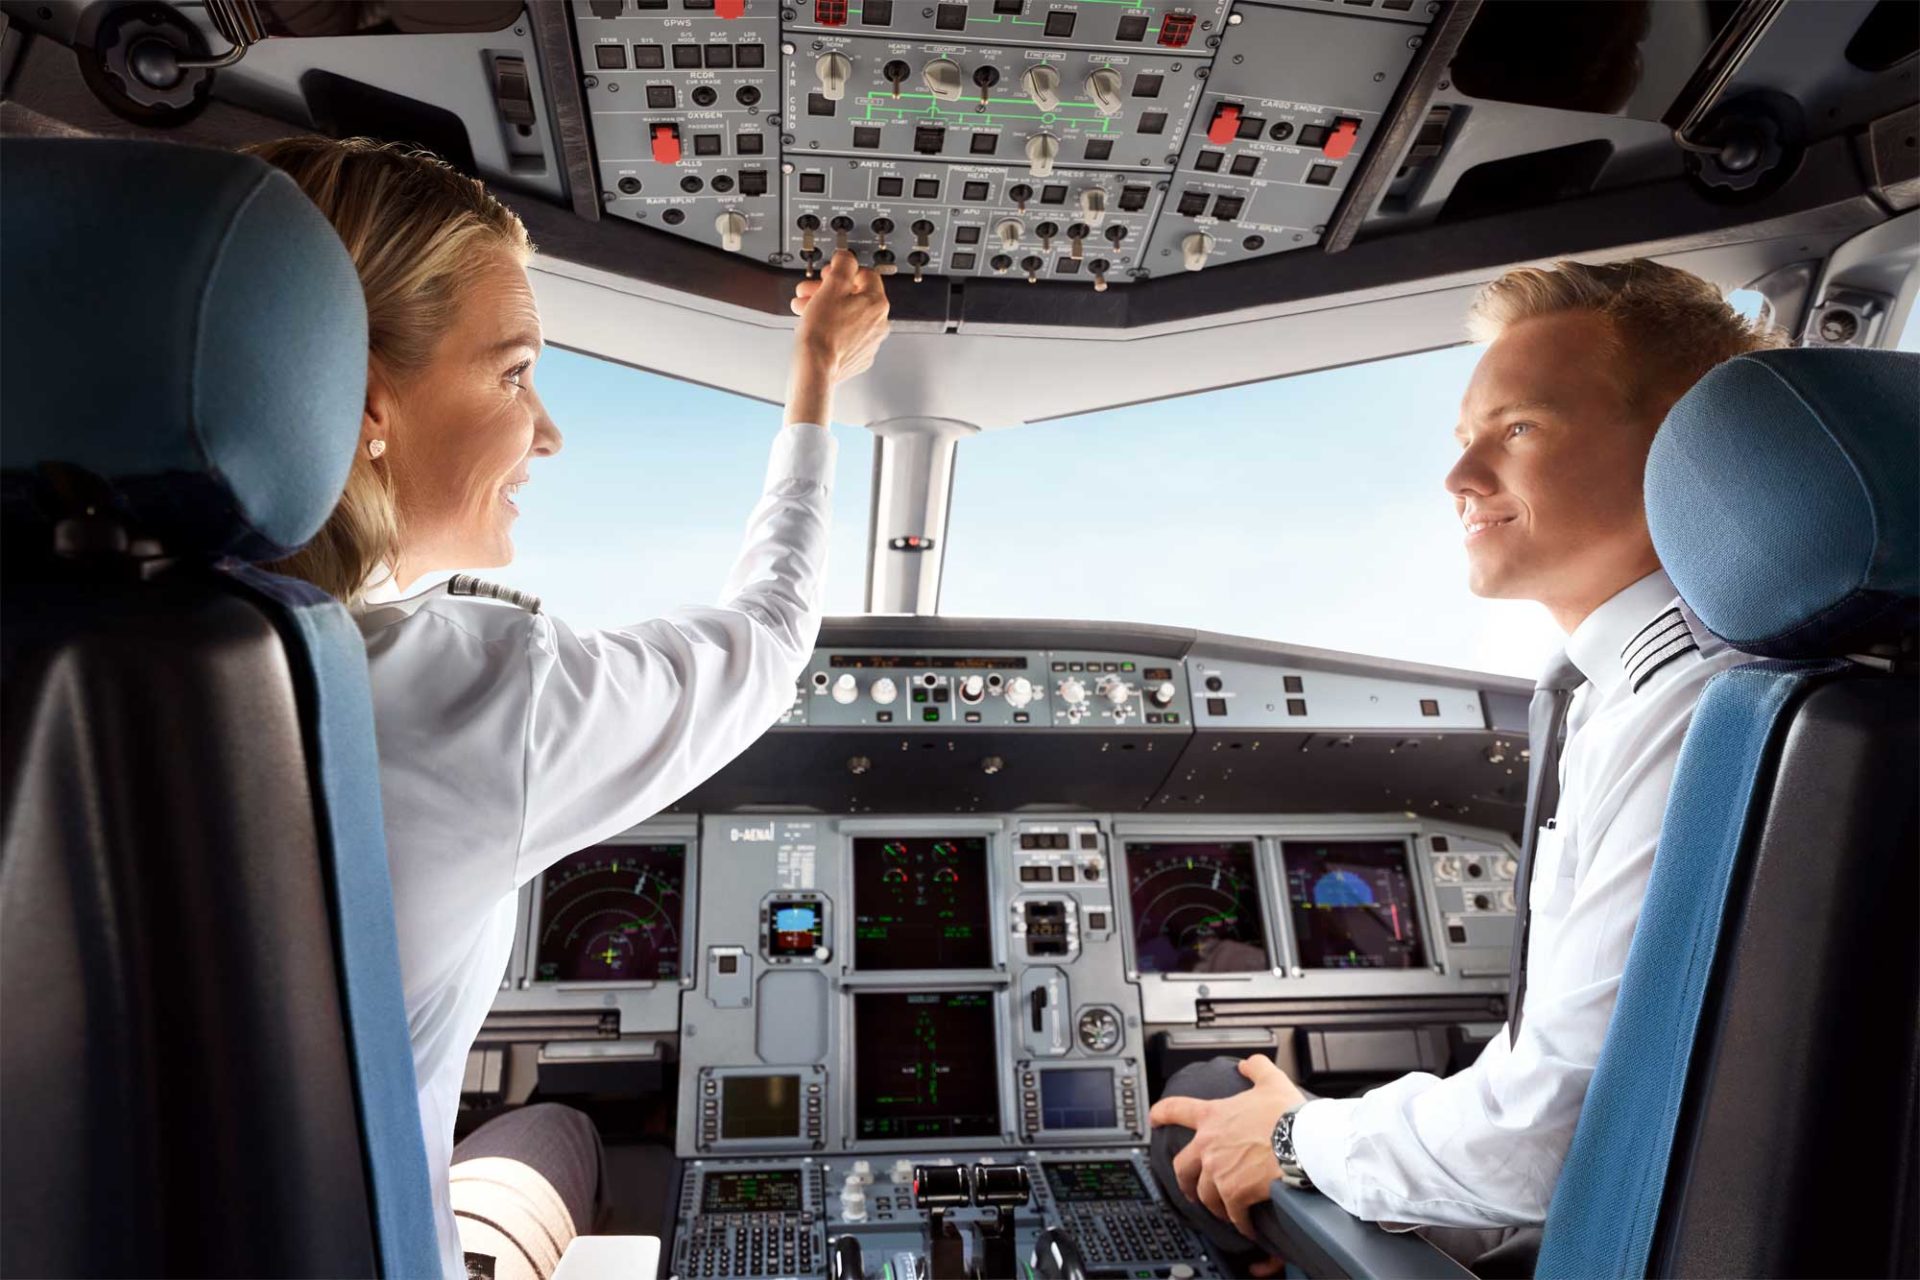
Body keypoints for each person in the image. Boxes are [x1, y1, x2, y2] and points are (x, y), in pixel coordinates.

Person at [246, 135, 890, 1280]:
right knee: (563, 1133)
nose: (548, 429)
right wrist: (816, 376)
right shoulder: (469, 694)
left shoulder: (69, 652)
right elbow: (774, 631)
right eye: (513, 373)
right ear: (364, 400)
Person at [1146, 259, 1785, 1273]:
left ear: (1682, 444)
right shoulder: (1702, 684)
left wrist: (1288, 1138)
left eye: (1518, 427)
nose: (1458, 478)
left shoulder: (1701, 713)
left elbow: (1537, 1138)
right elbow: (1627, 1137)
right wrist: (1339, 1165)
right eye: (1463, 438)